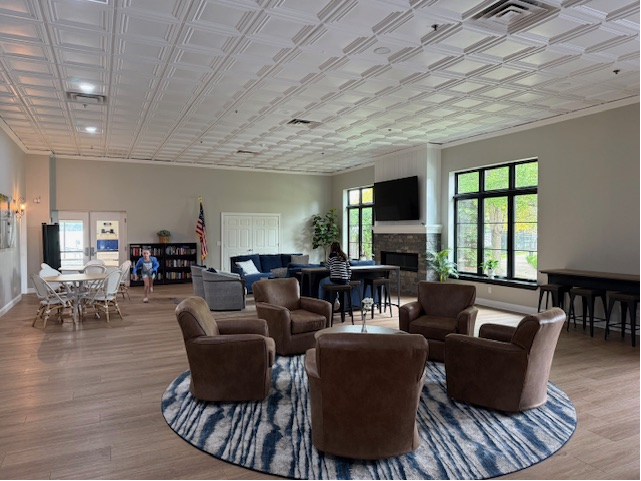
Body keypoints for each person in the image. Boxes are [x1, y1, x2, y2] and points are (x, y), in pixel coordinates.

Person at [318, 241, 351, 309]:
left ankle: (320, 303)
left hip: (335, 280)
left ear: (332, 248)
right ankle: (337, 300)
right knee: (337, 284)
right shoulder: (344, 256)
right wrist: (348, 279)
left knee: (321, 282)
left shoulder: (332, 255)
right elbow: (349, 269)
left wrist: (332, 267)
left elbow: (327, 267)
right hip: (344, 281)